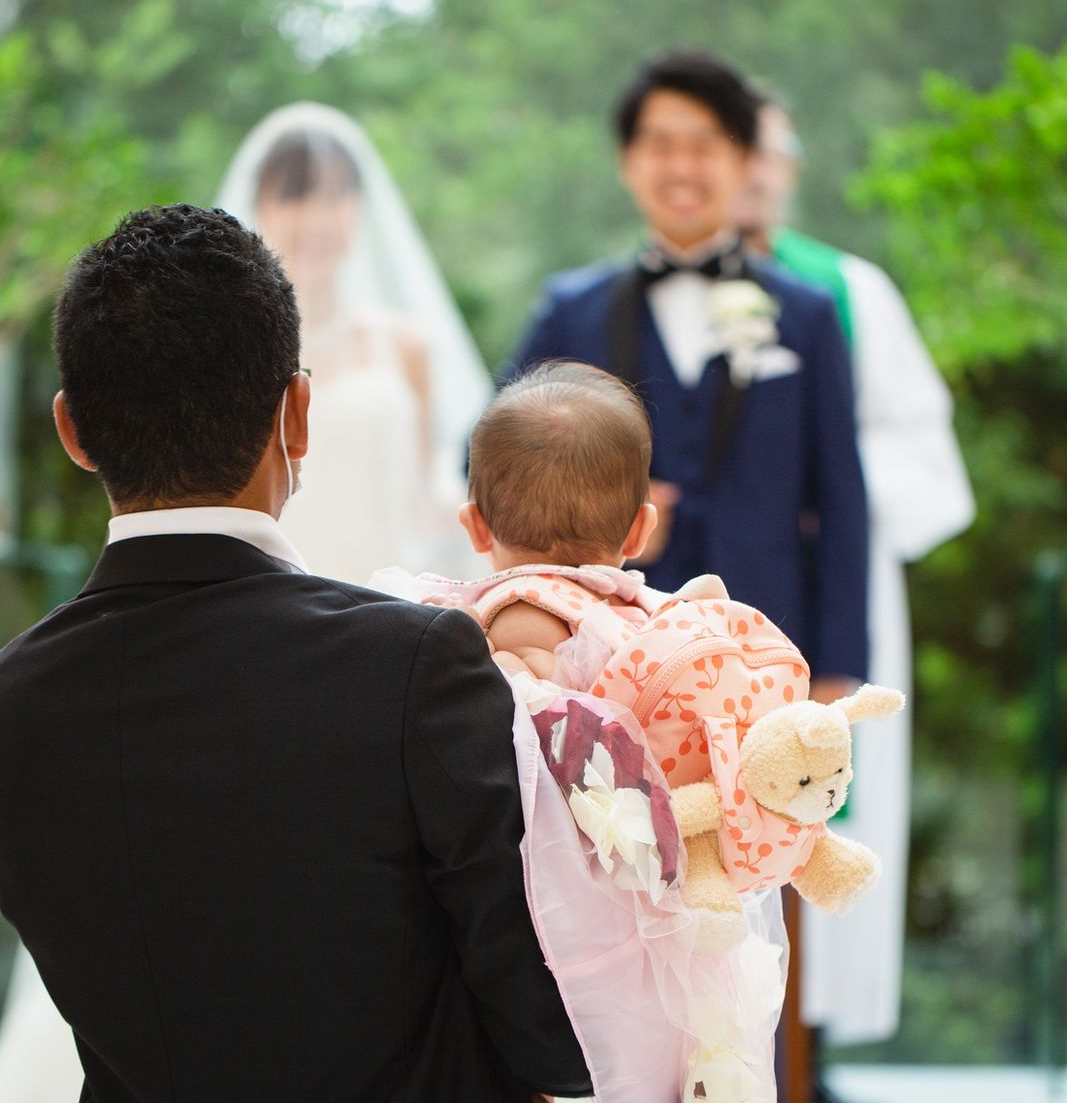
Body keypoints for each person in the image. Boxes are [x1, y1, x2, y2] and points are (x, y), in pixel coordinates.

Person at [0, 204, 591, 1102]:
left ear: (72, 431)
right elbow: (557, 1035)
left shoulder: (15, 703)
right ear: (299, 414)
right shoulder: (416, 664)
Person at [374, 361, 794, 1103]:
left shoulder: (512, 620)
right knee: (679, 1057)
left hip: (566, 908)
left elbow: (518, 745)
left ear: (475, 525)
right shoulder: (656, 621)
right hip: (668, 899)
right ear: (641, 528)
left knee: (592, 1060)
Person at [510, 49, 869, 706]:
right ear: (628, 161)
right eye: (660, 146)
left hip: (767, 650)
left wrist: (836, 668)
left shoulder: (808, 315)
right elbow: (487, 458)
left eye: (704, 146)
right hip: (600, 656)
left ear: (744, 160)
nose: (681, 167)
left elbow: (843, 498)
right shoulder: (571, 310)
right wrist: (598, 500)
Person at [732, 98, 976, 1051]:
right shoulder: (647, 297)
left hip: (832, 581)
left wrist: (820, 482)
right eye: (734, 149)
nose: (753, 171)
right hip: (711, 582)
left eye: (768, 151)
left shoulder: (851, 290)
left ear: (790, 167)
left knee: (829, 788)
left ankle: (811, 1040)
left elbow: (924, 454)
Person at [215, 101, 492, 584]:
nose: (318, 219)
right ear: (259, 205)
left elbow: (426, 496)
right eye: (296, 195)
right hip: (270, 592)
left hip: (387, 596)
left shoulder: (407, 346)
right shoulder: (229, 348)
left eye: (336, 195)